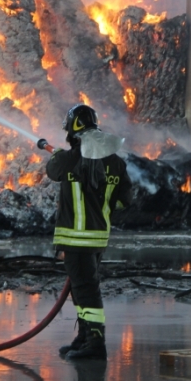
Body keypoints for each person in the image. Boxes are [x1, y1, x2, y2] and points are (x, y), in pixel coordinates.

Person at [44, 104, 131, 359]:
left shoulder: (68, 160)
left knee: (87, 289)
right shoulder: (115, 163)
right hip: (98, 238)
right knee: (82, 288)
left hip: (74, 238)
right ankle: (84, 337)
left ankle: (96, 343)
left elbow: (53, 171)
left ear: (73, 130)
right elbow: (125, 200)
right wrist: (101, 206)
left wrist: (61, 156)